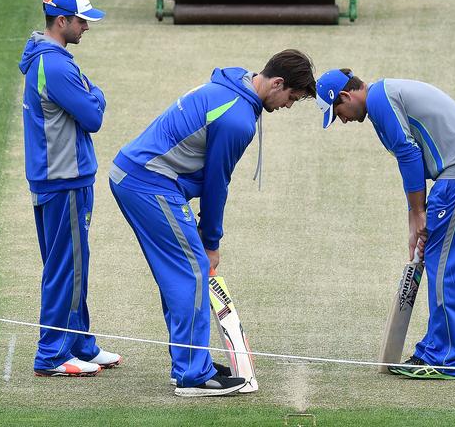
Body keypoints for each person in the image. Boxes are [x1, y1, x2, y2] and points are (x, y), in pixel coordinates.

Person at [110, 50, 316, 396]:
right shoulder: (238, 120)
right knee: (192, 271)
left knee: (181, 272)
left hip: (137, 177)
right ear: (277, 83)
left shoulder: (234, 82)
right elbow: (216, 185)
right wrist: (211, 243)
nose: (288, 106)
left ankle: (189, 363)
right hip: (149, 183)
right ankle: (192, 375)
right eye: (291, 98)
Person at [315, 70, 455, 379]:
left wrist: (417, 213)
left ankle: (441, 357)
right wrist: (415, 217)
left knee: (445, 264)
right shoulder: (384, 96)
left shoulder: (379, 100)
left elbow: (408, 153)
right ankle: (438, 350)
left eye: (338, 113)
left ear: (346, 97)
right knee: (442, 259)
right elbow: (412, 156)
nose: (344, 120)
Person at [19, 0, 121, 377]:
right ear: (61, 21)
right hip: (65, 180)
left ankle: (79, 343)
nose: (86, 28)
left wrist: (91, 94)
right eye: (82, 21)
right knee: (67, 268)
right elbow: (94, 116)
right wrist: (96, 93)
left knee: (70, 265)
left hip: (52, 178)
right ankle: (51, 354)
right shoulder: (59, 67)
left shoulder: (45, 59)